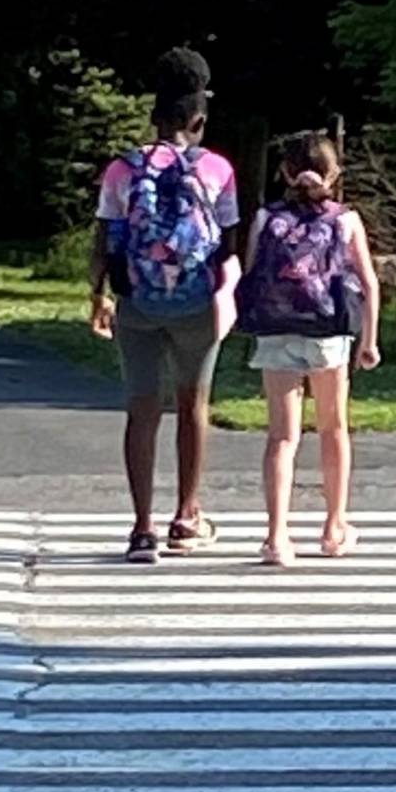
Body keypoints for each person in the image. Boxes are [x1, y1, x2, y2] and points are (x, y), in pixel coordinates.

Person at [88, 48, 243, 564]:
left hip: (137, 303)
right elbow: (227, 245)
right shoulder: (218, 169)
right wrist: (226, 298)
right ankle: (187, 515)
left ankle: (140, 528)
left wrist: (99, 294)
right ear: (198, 118)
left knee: (141, 410)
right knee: (193, 406)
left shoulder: (121, 170)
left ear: (153, 115)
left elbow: (106, 238)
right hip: (196, 305)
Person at [237, 131, 383, 566]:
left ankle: (277, 536)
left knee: (282, 436)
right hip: (328, 334)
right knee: (333, 430)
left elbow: (250, 274)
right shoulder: (346, 220)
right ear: (334, 173)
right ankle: (334, 527)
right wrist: (369, 340)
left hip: (277, 331)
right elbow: (369, 283)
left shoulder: (266, 219)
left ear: (284, 172)